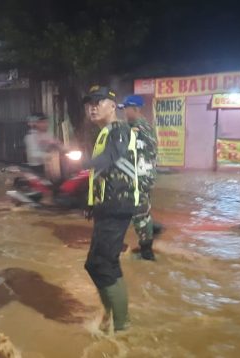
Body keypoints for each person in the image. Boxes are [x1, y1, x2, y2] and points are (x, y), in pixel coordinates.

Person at [83, 85, 139, 332]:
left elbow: (112, 158)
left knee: (102, 264)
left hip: (118, 204)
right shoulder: (104, 132)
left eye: (99, 101)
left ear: (113, 106)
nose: (92, 106)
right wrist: (90, 203)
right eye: (89, 103)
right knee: (98, 264)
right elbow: (99, 174)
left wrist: (78, 165)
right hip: (106, 206)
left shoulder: (119, 130)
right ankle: (110, 317)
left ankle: (122, 326)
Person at [119, 95, 158, 261]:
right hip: (142, 176)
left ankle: (147, 253)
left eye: (125, 109)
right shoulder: (137, 126)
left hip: (139, 178)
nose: (124, 112)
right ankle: (150, 231)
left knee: (139, 214)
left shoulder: (138, 129)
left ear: (134, 109)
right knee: (141, 211)